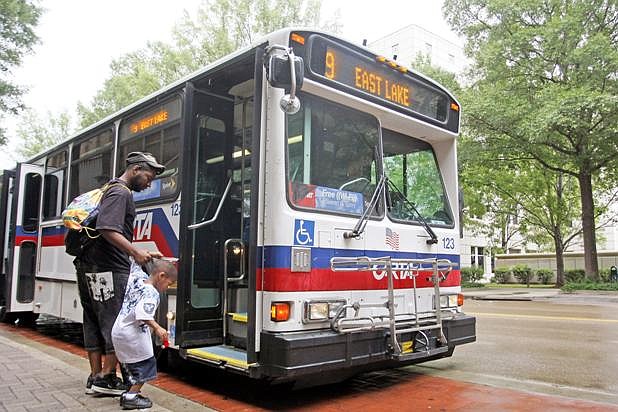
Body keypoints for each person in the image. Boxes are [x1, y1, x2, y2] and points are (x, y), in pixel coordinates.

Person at [75, 152, 165, 396]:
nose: (149, 183)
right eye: (149, 176)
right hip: (108, 268)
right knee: (114, 321)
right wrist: (135, 252)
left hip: (91, 264)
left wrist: (139, 251)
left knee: (93, 319)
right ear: (135, 169)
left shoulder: (110, 189)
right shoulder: (120, 192)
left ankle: (96, 376)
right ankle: (106, 378)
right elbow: (107, 228)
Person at [112, 259, 177, 410]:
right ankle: (131, 396)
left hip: (119, 330)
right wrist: (158, 328)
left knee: (129, 364)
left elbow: (134, 262)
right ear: (161, 276)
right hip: (133, 335)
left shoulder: (137, 279)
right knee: (147, 364)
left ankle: (129, 391)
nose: (167, 288)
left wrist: (150, 255)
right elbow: (142, 314)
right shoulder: (151, 293)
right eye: (168, 283)